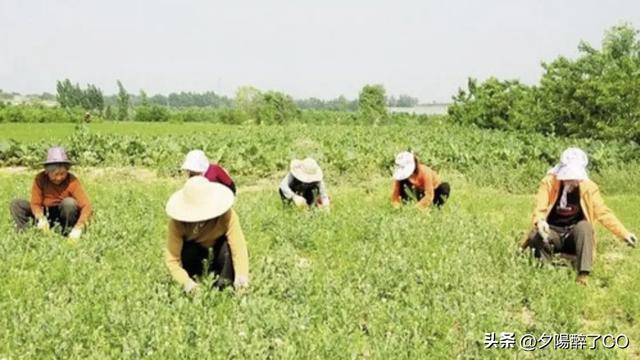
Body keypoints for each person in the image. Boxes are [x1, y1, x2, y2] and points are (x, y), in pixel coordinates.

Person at [521, 147, 637, 285]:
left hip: (574, 236)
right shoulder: (549, 182)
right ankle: (544, 271)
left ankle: (583, 275)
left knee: (585, 226)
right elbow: (540, 208)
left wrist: (624, 234)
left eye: (576, 178)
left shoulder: (589, 188)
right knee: (536, 234)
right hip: (552, 233)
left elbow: (603, 212)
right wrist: (540, 222)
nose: (573, 181)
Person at [165, 176, 249, 292]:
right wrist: (187, 283)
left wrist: (241, 279)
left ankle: (223, 285)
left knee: (227, 248)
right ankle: (195, 280)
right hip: (193, 261)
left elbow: (238, 249)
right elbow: (173, 260)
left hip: (218, 257)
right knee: (189, 250)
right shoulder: (178, 223)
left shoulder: (226, 216)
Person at [9, 147, 91, 239]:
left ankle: (67, 232)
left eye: (62, 174)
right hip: (46, 212)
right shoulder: (40, 179)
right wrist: (40, 217)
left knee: (69, 203)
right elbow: (35, 204)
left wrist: (79, 227)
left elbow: (86, 206)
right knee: (17, 204)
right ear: (47, 172)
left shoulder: (72, 180)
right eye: (55, 174)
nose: (59, 178)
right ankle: (24, 234)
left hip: (64, 214)